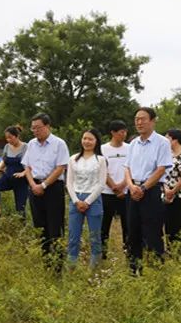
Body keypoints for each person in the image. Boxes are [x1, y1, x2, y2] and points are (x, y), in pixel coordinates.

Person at [123, 107, 173, 275]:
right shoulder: (133, 143)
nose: (139, 122)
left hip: (150, 191)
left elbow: (161, 169)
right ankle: (134, 271)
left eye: (143, 119)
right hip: (133, 191)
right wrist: (130, 186)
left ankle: (156, 272)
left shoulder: (162, 142)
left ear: (152, 121)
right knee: (133, 232)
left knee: (152, 233)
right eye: (137, 119)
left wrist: (143, 187)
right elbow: (127, 168)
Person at [22, 113, 70, 270]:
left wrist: (43, 186)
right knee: (40, 226)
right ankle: (46, 263)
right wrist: (33, 185)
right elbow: (27, 167)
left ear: (48, 126)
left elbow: (61, 167)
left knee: (55, 226)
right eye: (33, 128)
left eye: (38, 127)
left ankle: (57, 265)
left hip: (52, 188)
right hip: (34, 187)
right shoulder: (31, 144)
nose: (35, 131)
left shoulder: (59, 144)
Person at [66, 128, 108, 268]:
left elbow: (102, 184)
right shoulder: (73, 158)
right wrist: (76, 201)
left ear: (96, 142)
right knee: (73, 235)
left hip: (94, 200)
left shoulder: (101, 160)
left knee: (95, 236)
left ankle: (94, 268)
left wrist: (87, 201)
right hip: (75, 199)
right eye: (84, 138)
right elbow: (69, 182)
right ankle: (72, 266)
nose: (87, 141)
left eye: (90, 139)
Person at [101, 120, 130, 258]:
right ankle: (102, 253)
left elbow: (131, 168)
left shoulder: (130, 148)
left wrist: (123, 185)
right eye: (121, 132)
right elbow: (102, 170)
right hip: (107, 192)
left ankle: (128, 252)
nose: (124, 134)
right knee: (104, 225)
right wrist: (113, 186)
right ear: (113, 132)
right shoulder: (103, 149)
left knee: (128, 225)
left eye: (125, 131)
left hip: (126, 192)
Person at [0, 126, 28, 218]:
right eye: (7, 138)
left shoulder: (25, 147)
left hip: (20, 181)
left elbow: (29, 164)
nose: (8, 140)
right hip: (8, 177)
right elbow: (4, 160)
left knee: (20, 208)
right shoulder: (7, 147)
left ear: (17, 136)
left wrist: (23, 173)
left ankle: (22, 227)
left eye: (10, 137)